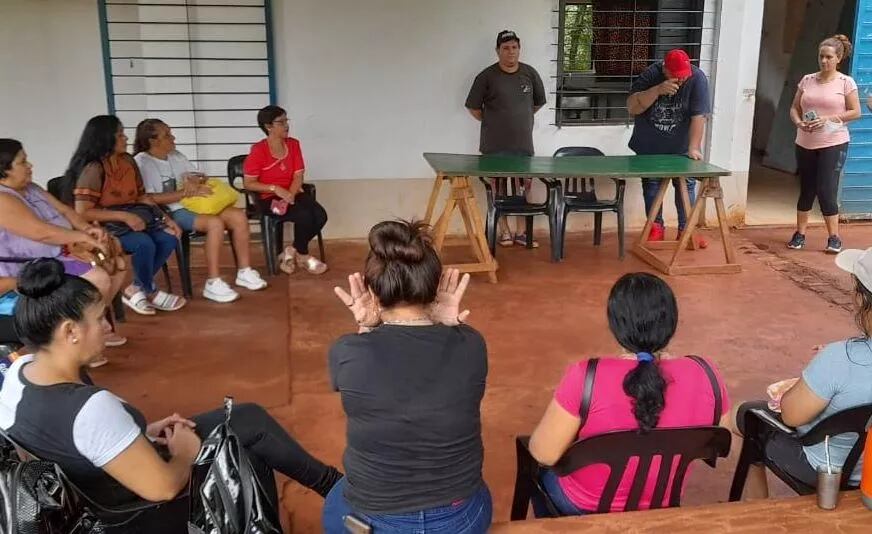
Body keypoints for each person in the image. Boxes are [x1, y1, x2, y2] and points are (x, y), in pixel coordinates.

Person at [0, 258, 343, 533]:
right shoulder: (89, 409)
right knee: (241, 454)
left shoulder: (21, 371)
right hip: (128, 514)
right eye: (99, 318)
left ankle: (334, 486)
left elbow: (75, 442)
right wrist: (184, 452)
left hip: (97, 485)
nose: (107, 326)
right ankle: (321, 497)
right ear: (70, 331)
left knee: (244, 417)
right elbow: (162, 488)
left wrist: (141, 434)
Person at [321, 220, 491, 533]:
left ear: (373, 291)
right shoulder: (472, 344)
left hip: (376, 521)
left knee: (335, 497)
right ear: (434, 287)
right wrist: (447, 325)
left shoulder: (348, 351)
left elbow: (349, 379)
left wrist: (367, 326)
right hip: (462, 519)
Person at [527, 272, 729, 515]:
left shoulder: (586, 376)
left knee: (540, 473)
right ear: (672, 322)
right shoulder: (706, 373)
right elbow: (719, 443)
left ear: (615, 324)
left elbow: (544, 453)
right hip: (663, 503)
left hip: (585, 506)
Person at [729, 246, 872, 499]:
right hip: (866, 468)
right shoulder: (840, 357)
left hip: (826, 469)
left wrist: (820, 369)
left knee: (747, 418)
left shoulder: (839, 358)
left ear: (861, 300)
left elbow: (791, 415)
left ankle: (755, 511)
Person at [0, 138, 125, 360]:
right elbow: (41, 232)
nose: (30, 166)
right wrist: (81, 238)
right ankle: (82, 335)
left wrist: (88, 230)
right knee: (98, 278)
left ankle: (90, 325)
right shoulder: (3, 199)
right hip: (27, 269)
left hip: (56, 255)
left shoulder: (31, 189)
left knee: (121, 264)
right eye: (23, 162)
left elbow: (66, 212)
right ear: (4, 170)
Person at [133, 119, 268, 303]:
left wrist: (194, 181)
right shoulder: (142, 162)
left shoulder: (176, 155)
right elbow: (148, 198)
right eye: (167, 135)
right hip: (170, 211)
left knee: (238, 216)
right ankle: (213, 282)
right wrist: (184, 192)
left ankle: (244, 271)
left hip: (197, 204)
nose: (173, 138)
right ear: (153, 141)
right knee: (215, 224)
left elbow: (199, 175)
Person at [68, 115, 187, 315]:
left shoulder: (128, 161)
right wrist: (124, 217)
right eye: (120, 134)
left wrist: (165, 219)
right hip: (104, 225)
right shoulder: (94, 168)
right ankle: (149, 290)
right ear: (106, 138)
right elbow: (83, 212)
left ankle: (136, 288)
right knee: (143, 243)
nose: (126, 138)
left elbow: (142, 196)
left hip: (136, 218)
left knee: (169, 237)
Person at [465, 30, 546, 248]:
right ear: (498, 51)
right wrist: (495, 122)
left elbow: (537, 103)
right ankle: (505, 232)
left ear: (519, 49)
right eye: (506, 48)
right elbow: (473, 108)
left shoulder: (530, 73)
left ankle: (522, 232)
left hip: (523, 146)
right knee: (498, 190)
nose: (511, 52)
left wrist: (520, 119)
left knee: (523, 190)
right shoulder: (486, 77)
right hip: (495, 147)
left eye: (514, 47)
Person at [626, 49, 711, 247]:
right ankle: (655, 227)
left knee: (686, 185)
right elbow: (632, 108)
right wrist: (657, 90)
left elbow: (699, 116)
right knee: (652, 185)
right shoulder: (650, 75)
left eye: (684, 76)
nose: (681, 81)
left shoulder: (697, 78)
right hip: (650, 145)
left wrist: (694, 147)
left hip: (681, 146)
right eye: (676, 77)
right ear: (665, 69)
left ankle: (686, 230)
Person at [786, 35, 861, 254]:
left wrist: (828, 119)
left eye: (829, 57)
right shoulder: (807, 80)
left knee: (826, 188)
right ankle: (799, 234)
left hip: (833, 141)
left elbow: (855, 112)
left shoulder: (846, 82)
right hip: (805, 141)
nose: (824, 61)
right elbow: (793, 108)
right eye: (821, 56)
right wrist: (799, 122)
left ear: (838, 58)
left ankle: (834, 237)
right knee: (806, 188)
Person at [242, 105, 328, 275]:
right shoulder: (258, 150)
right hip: (268, 198)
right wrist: (276, 189)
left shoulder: (293, 145)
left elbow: (298, 176)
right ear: (268, 127)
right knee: (303, 215)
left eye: (286, 120)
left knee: (320, 215)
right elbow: (249, 183)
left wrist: (290, 194)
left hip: (294, 192)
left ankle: (291, 251)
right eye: (281, 122)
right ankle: (303, 256)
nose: (286, 125)